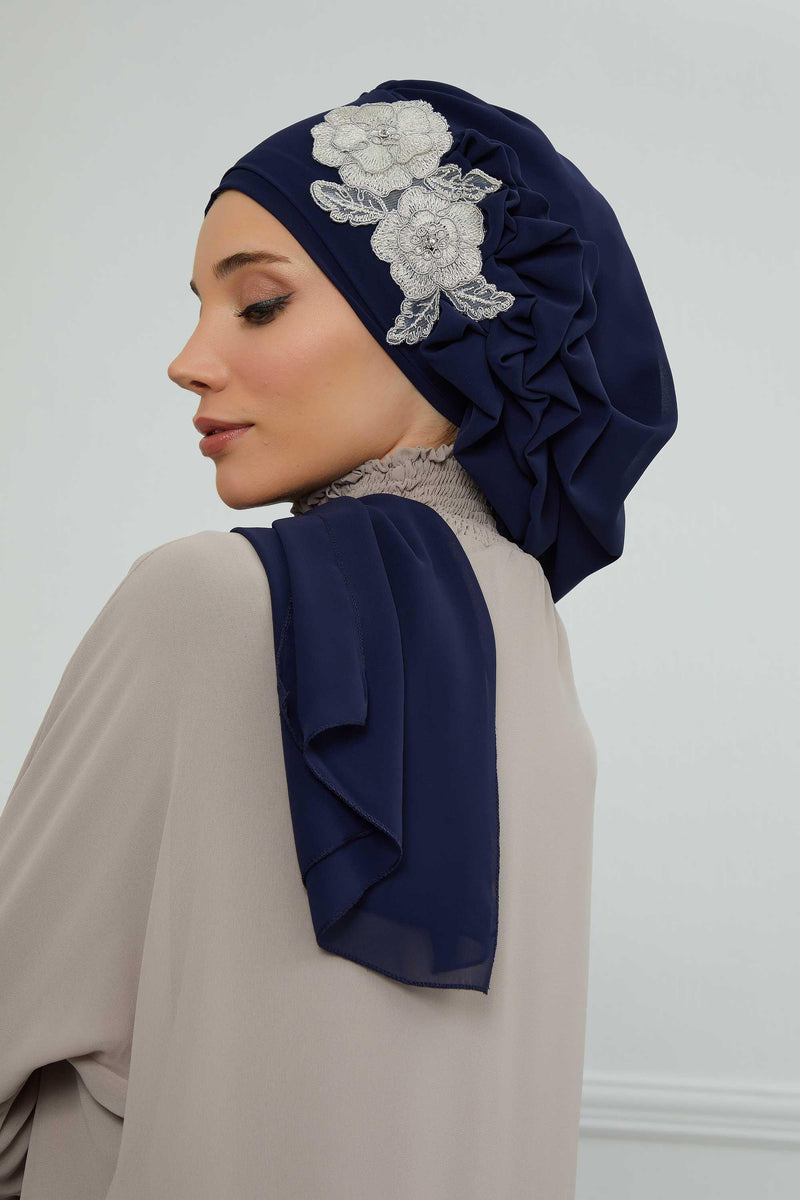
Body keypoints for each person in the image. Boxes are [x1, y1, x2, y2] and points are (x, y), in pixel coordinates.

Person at [0, 79, 676, 1199]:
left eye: (258, 304)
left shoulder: (208, 600)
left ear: (435, 320)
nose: (187, 360)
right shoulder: (526, 625)